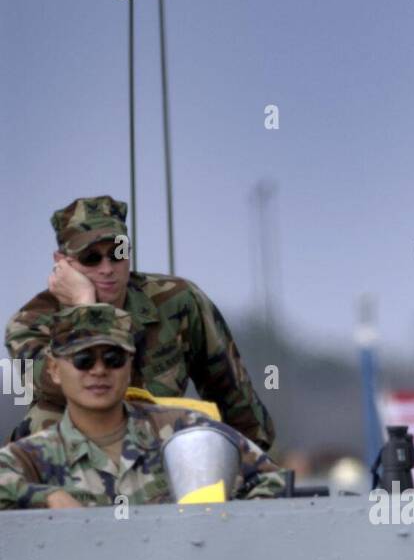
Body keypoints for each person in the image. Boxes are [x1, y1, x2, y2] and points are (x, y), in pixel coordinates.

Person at [5, 195, 275, 449]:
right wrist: (85, 306)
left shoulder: (177, 301)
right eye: (90, 258)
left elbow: (231, 392)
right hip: (73, 463)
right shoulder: (30, 324)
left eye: (117, 253)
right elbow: (58, 387)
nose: (107, 268)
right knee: (43, 419)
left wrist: (251, 466)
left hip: (158, 450)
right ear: (61, 263)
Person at [0, 305, 287, 509]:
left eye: (113, 359)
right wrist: (46, 497)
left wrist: (226, 526)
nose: (99, 371)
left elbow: (273, 480)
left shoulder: (184, 430)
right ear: (54, 369)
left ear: (130, 365)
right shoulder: (33, 456)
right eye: (83, 360)